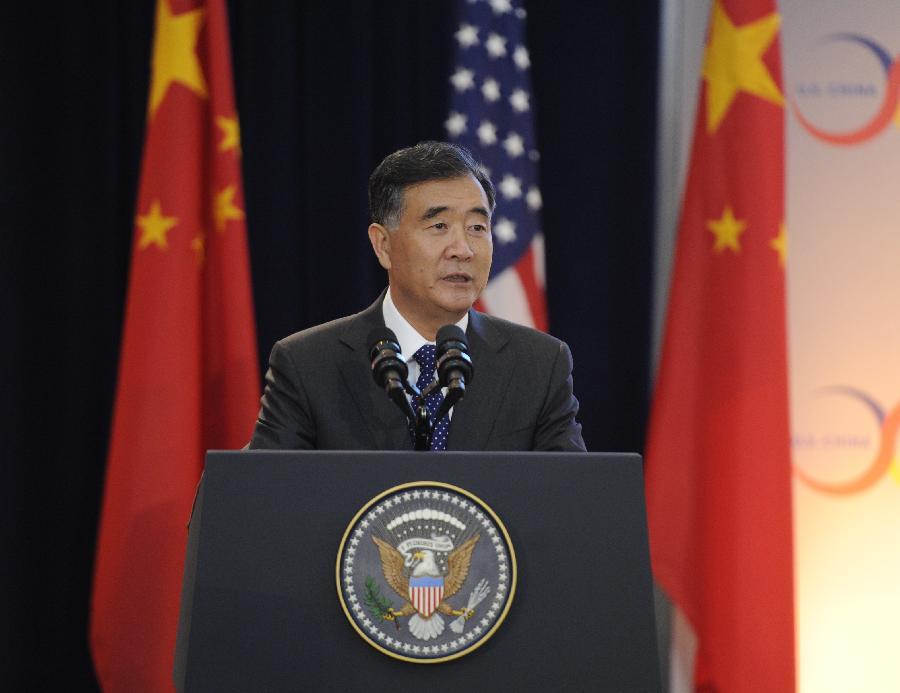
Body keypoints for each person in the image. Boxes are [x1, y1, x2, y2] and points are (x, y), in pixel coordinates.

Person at [247, 141, 585, 452]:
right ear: (383, 245)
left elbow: (572, 493)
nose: (463, 249)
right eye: (439, 226)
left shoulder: (540, 365)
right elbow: (260, 490)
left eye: (477, 228)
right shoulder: (308, 365)